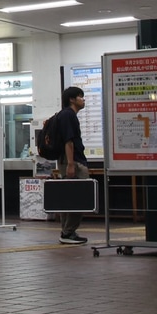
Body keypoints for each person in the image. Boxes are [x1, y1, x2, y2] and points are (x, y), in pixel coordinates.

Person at [52, 85, 88, 245]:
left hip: (68, 160)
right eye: (80, 96)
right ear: (72, 99)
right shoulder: (68, 115)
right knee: (77, 197)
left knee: (69, 197)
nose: (83, 99)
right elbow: (69, 141)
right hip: (72, 161)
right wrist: (71, 164)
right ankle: (68, 232)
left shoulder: (65, 115)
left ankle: (67, 232)